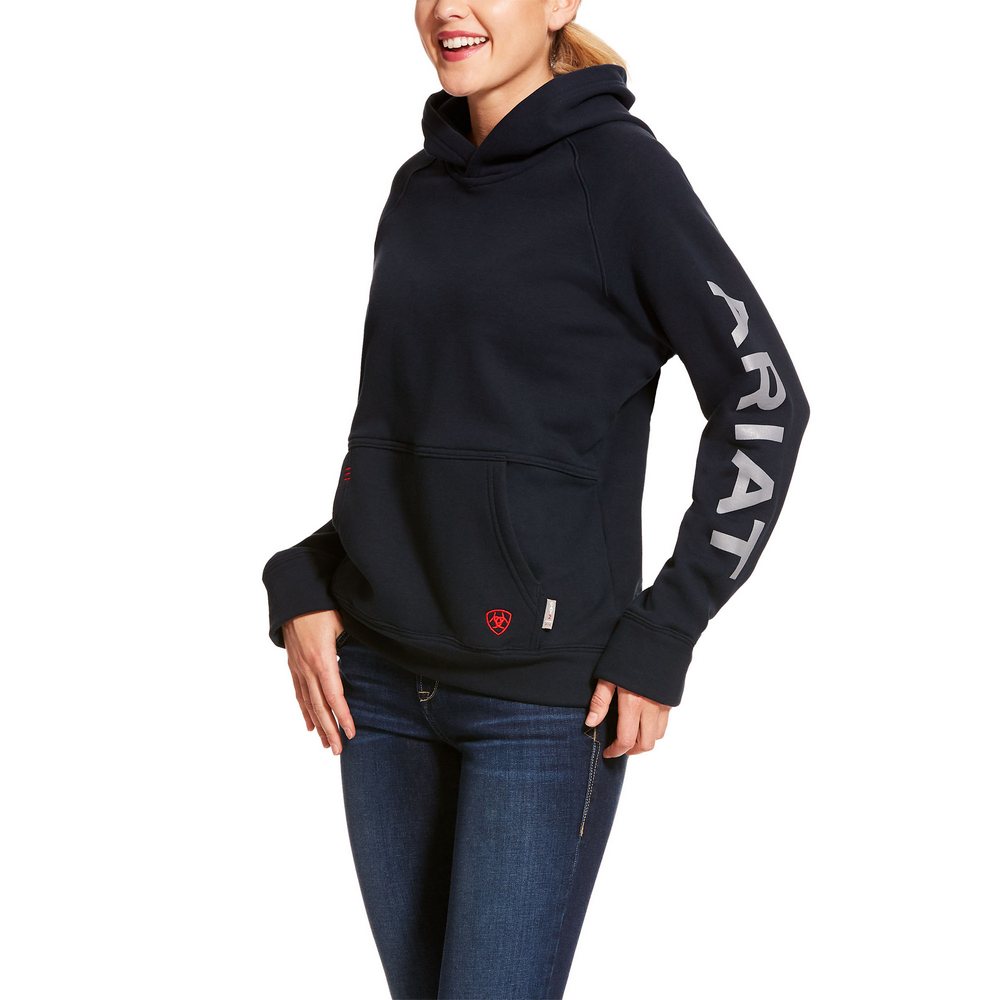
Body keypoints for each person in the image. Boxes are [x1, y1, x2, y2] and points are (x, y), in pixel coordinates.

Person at [261, 2, 810, 997]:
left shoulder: (623, 179)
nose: (447, 9)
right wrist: (303, 575)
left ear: (560, 4)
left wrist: (666, 628)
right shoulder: (417, 190)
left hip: (541, 706)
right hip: (377, 690)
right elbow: (412, 442)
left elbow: (764, 403)